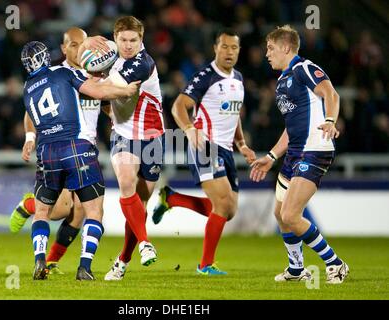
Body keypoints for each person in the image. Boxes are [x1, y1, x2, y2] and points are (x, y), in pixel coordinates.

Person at [20, 40, 139, 280]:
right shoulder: (63, 73)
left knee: (42, 212)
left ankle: (40, 260)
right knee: (93, 211)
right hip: (77, 146)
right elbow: (97, 92)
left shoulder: (27, 88)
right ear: (46, 56)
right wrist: (125, 91)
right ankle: (84, 267)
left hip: (47, 152)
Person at [249, 25, 349, 284]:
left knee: (292, 216)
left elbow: (331, 93)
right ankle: (296, 269)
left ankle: (335, 264)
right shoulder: (283, 81)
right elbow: (291, 128)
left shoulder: (303, 68)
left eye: (271, 48)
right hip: (294, 153)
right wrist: (271, 157)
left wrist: (330, 119)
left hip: (315, 148)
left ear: (285, 47)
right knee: (280, 214)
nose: (267, 53)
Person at [152, 29, 256, 275]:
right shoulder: (206, 77)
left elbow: (234, 116)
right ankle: (205, 265)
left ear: (239, 51)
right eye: (225, 47)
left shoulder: (238, 79)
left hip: (226, 149)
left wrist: (241, 144)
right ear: (215, 49)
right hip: (204, 147)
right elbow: (178, 106)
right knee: (222, 205)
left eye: (234, 48)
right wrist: (189, 129)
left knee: (229, 211)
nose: (229, 52)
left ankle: (172, 199)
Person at [10, 28, 110, 275]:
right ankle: (31, 205)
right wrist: (30, 137)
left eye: (83, 44)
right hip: (64, 147)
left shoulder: (95, 74)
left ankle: (51, 261)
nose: (79, 49)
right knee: (63, 211)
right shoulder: (58, 74)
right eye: (74, 45)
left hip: (86, 148)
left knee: (79, 214)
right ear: (64, 49)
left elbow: (108, 107)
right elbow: (30, 111)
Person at [100, 16, 165, 281]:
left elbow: (104, 90)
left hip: (152, 137)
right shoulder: (110, 62)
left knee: (141, 202)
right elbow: (106, 100)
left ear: (142, 40)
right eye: (123, 40)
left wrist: (87, 76)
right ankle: (145, 244)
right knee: (126, 182)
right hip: (124, 136)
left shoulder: (143, 63)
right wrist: (111, 114)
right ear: (116, 39)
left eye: (133, 40)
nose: (128, 45)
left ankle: (123, 260)